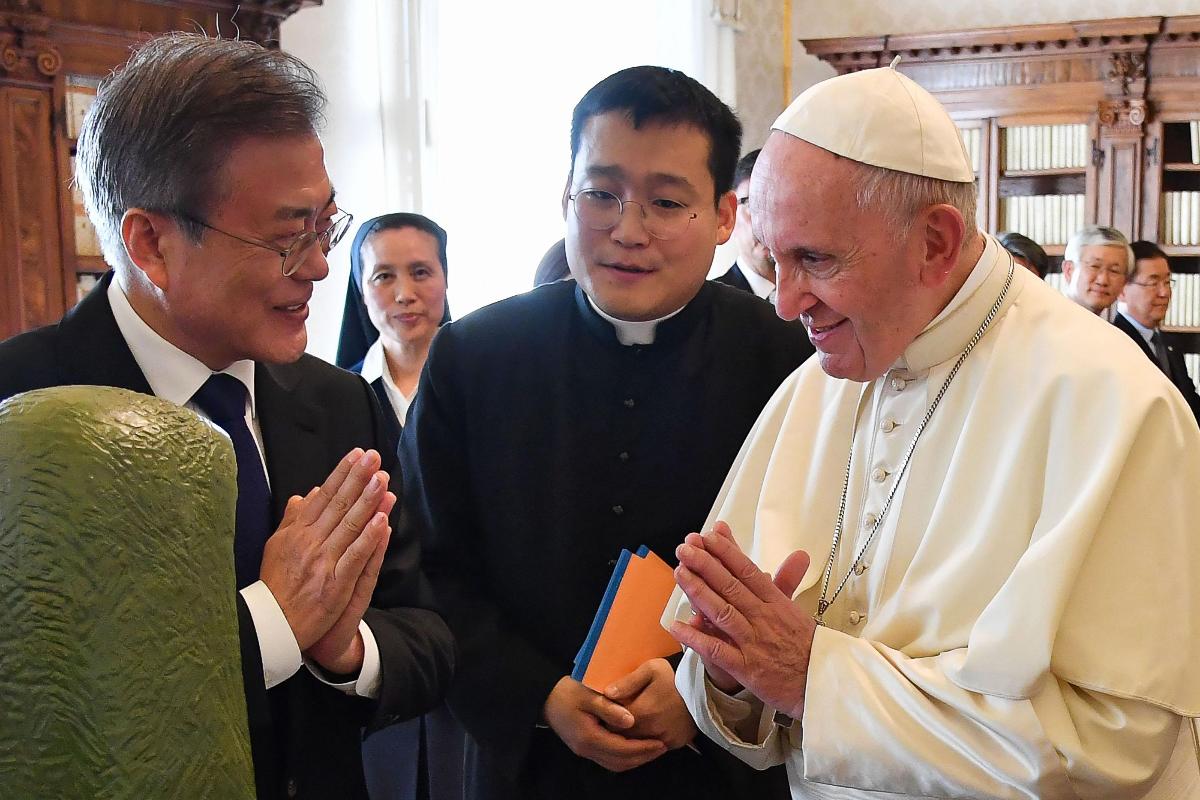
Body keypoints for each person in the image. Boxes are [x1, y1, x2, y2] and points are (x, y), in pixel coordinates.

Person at [666, 62, 1200, 798]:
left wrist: (813, 677)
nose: (785, 303)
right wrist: (732, 675)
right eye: (774, 257)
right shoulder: (811, 389)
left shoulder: (1112, 402)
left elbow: (1114, 745)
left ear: (936, 243)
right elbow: (756, 711)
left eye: (814, 259)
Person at [0, 34, 454, 800]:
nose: (318, 267)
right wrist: (272, 623)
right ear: (151, 242)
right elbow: (45, 711)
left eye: (327, 227)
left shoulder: (339, 401)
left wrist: (348, 650)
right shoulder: (23, 412)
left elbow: (430, 632)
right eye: (287, 239)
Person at [399, 65, 812, 800]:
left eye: (664, 201)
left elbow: (828, 563)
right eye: (601, 193)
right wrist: (541, 696)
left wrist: (702, 694)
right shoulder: (475, 358)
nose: (627, 230)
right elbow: (430, 565)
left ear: (724, 217)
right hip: (528, 764)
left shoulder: (793, 363)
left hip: (723, 766)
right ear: (565, 195)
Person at [337, 213, 452, 440]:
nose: (405, 295)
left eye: (420, 272)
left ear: (445, 278)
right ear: (361, 291)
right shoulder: (336, 398)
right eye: (384, 276)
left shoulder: (483, 380)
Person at [1114, 240, 1200, 425]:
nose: (1164, 292)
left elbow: (1189, 403)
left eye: (1167, 282)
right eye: (1153, 283)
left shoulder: (1167, 343)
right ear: (1122, 289)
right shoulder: (1115, 343)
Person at [713, 148, 776, 299]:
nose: (769, 221)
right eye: (753, 204)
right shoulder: (706, 309)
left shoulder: (822, 299)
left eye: (779, 204)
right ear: (729, 215)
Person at [1061, 224, 1134, 319]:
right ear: (1069, 270)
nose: (1103, 280)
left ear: (1125, 282)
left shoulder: (1112, 332)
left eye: (1114, 271)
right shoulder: (1044, 324)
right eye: (1094, 266)